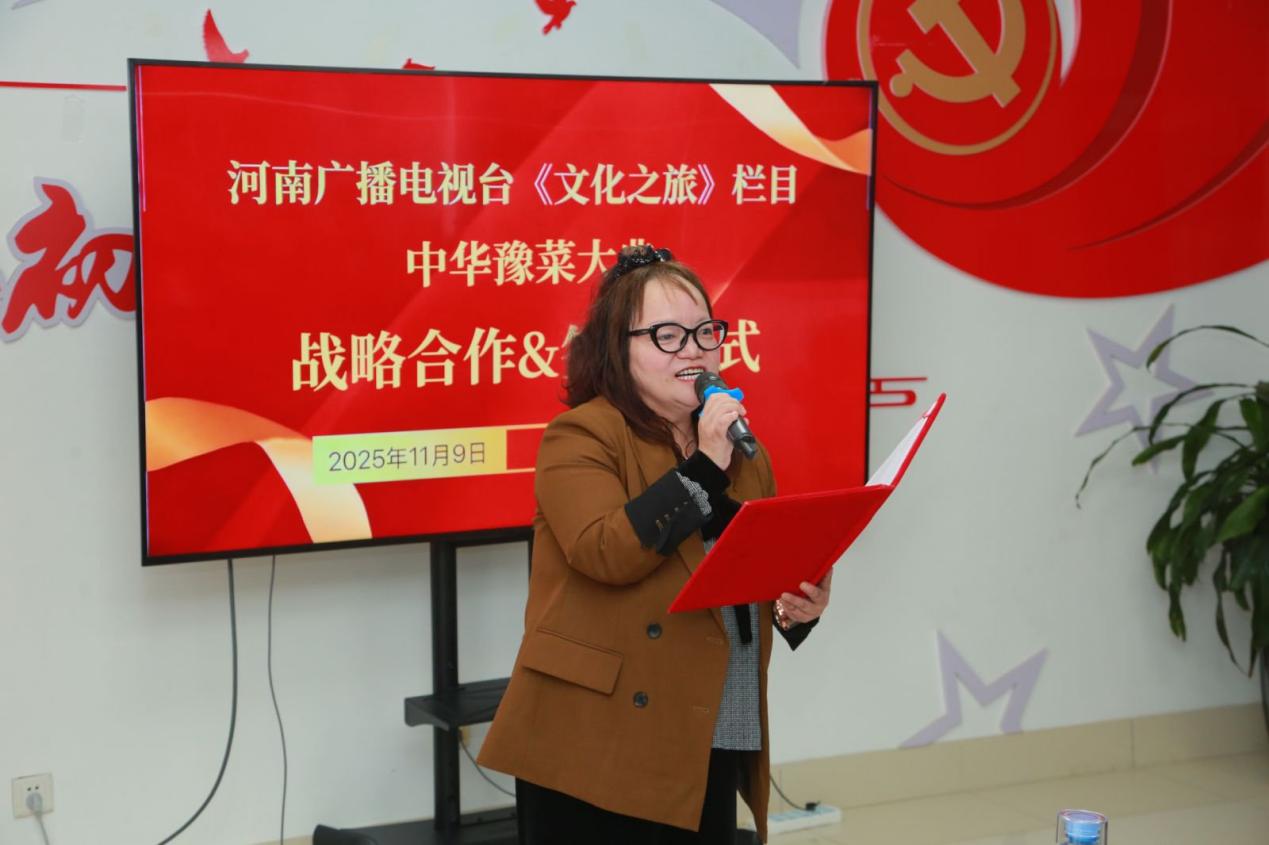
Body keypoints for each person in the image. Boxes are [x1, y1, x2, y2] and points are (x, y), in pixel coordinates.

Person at [478, 245, 831, 844]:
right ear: (618, 348)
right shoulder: (582, 434)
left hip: (706, 723)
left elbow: (745, 576)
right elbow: (606, 551)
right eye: (667, 335)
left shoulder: (741, 448)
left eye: (705, 332)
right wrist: (705, 466)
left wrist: (794, 607)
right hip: (594, 738)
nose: (693, 350)